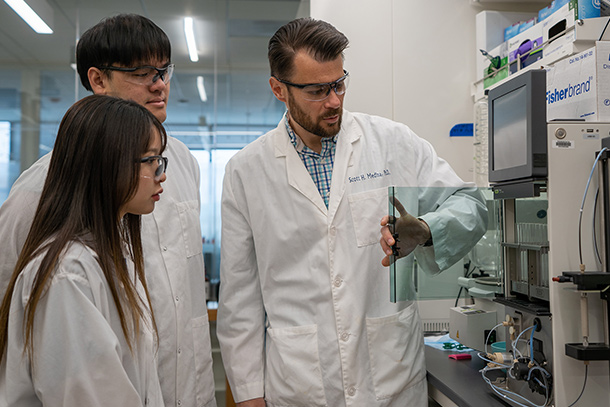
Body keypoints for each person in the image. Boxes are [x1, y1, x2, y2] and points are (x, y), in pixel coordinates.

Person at [217, 17, 487, 407]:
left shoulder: (393, 143)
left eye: (339, 83)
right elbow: (239, 300)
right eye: (317, 90)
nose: (334, 101)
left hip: (389, 376)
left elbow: (472, 203)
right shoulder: (246, 170)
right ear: (279, 88)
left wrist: (428, 228)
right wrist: (248, 396)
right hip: (299, 385)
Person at [0, 14, 216, 407]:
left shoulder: (182, 162)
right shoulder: (39, 190)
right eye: (141, 71)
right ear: (98, 80)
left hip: (187, 388)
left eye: (164, 70)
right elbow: (16, 309)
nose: (160, 83)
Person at [0, 95, 167, 405]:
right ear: (107, 166)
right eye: (150, 160)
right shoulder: (67, 276)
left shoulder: (109, 257)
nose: (161, 173)